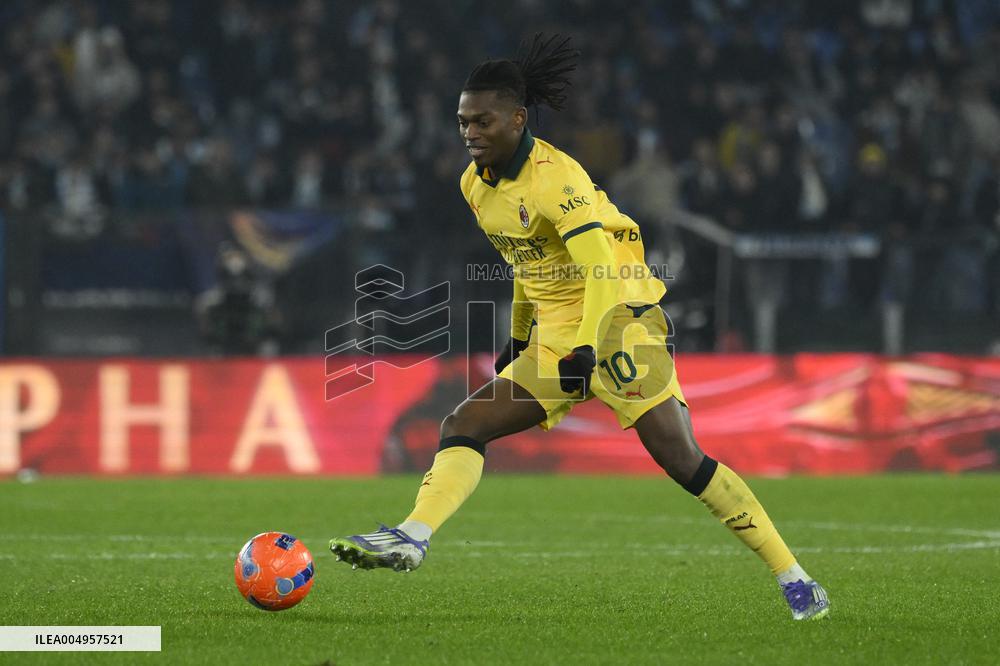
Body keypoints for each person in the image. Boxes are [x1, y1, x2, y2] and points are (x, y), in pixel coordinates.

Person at [329, 35, 829, 621]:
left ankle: (795, 578)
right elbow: (525, 261)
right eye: (463, 121)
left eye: (482, 121)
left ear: (517, 119)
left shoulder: (556, 180)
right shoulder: (475, 185)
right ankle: (413, 536)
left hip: (620, 321)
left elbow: (599, 269)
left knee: (682, 459)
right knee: (464, 422)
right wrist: (519, 334)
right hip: (558, 332)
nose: (470, 132)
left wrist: (590, 344)